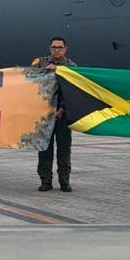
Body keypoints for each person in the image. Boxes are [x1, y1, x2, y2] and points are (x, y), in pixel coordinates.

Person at [32, 37, 77, 192]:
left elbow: (73, 91)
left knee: (64, 149)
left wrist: (61, 109)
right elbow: (30, 83)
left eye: (60, 47)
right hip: (44, 113)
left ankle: (64, 181)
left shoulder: (71, 66)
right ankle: (46, 181)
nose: (56, 50)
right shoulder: (40, 63)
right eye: (54, 47)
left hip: (63, 114)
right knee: (44, 148)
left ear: (65, 49)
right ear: (50, 48)